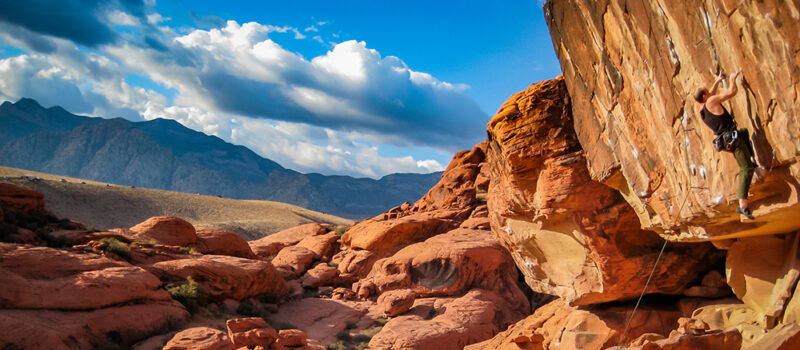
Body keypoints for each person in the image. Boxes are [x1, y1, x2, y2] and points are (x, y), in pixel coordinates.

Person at [694, 71, 756, 219]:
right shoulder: (710, 102)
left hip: (726, 140)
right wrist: (733, 79)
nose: (711, 92)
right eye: (708, 92)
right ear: (705, 96)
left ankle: (752, 159)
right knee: (746, 168)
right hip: (731, 138)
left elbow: (710, 95)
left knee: (744, 134)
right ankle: (743, 205)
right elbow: (732, 92)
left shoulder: (701, 109)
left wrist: (717, 81)